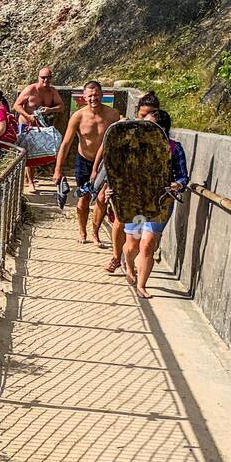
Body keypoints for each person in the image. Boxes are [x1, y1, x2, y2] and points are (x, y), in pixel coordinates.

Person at [117, 108, 188, 299]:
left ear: (162, 129)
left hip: (161, 202)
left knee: (148, 244)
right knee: (132, 244)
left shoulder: (175, 148)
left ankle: (142, 285)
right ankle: (129, 264)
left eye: (150, 125)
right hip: (136, 199)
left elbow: (183, 177)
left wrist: (177, 184)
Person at [94, 92, 160, 275]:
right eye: (143, 114)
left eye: (151, 114)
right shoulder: (123, 126)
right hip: (120, 178)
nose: (146, 119)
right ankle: (116, 257)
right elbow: (108, 150)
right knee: (120, 220)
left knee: (137, 222)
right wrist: (99, 175)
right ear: (138, 111)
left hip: (144, 184)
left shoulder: (158, 132)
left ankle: (130, 257)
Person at [53, 81, 120, 245]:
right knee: (84, 199)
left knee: (102, 198)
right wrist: (58, 169)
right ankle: (82, 230)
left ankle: (95, 232)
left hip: (105, 163)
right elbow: (66, 143)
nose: (93, 98)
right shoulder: (78, 116)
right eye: (89, 95)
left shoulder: (113, 115)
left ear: (102, 95)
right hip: (84, 161)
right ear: (84, 97)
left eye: (96, 94)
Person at [12, 68, 62, 191]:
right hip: (26, 125)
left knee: (45, 150)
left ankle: (32, 178)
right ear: (38, 77)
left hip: (41, 126)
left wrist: (50, 110)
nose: (46, 80)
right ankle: (30, 182)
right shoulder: (30, 90)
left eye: (48, 77)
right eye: (43, 77)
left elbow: (61, 107)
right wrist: (27, 116)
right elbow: (16, 105)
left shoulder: (52, 91)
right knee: (29, 152)